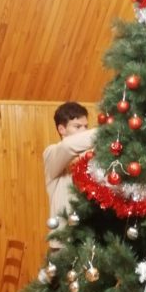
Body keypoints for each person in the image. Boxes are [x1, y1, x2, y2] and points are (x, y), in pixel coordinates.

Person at [43, 102, 96, 248]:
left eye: (86, 126)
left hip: (89, 242)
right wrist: (107, 132)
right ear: (62, 129)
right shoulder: (51, 153)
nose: (84, 131)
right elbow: (68, 146)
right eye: (77, 127)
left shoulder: (91, 155)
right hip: (63, 244)